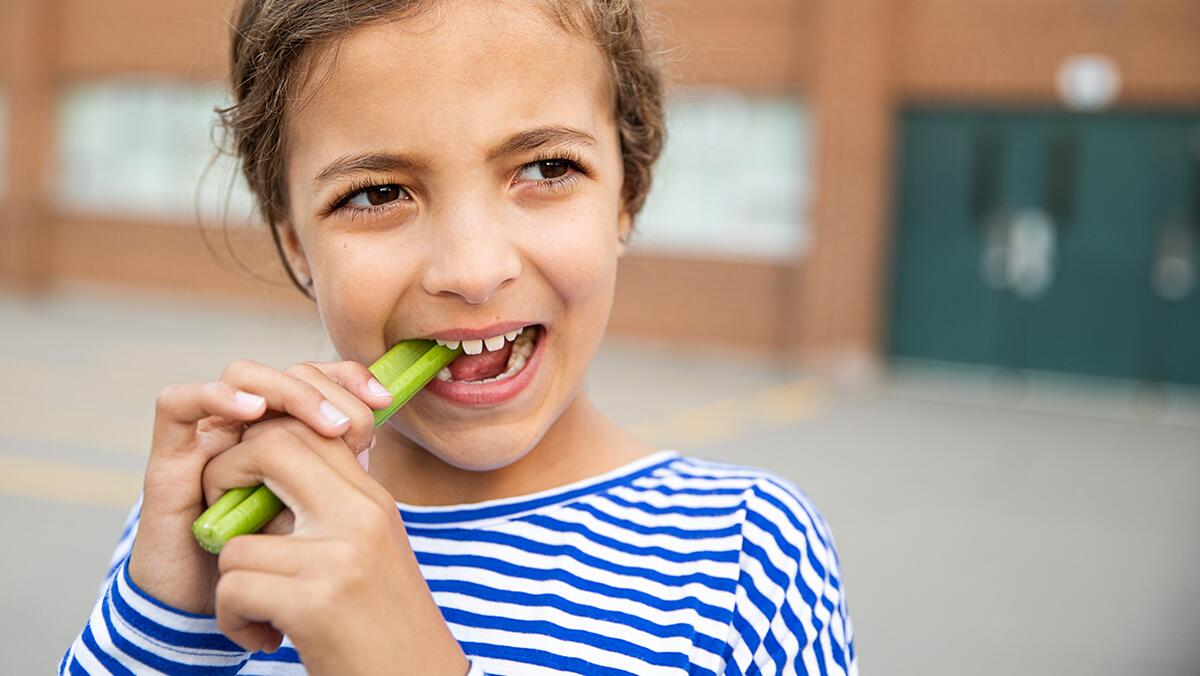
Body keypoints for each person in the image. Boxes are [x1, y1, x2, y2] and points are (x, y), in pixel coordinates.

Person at [60, 0, 856, 673]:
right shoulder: (228, 519)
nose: (472, 272)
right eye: (377, 191)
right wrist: (162, 626)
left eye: (546, 170)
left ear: (628, 191)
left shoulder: (745, 558)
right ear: (297, 242)